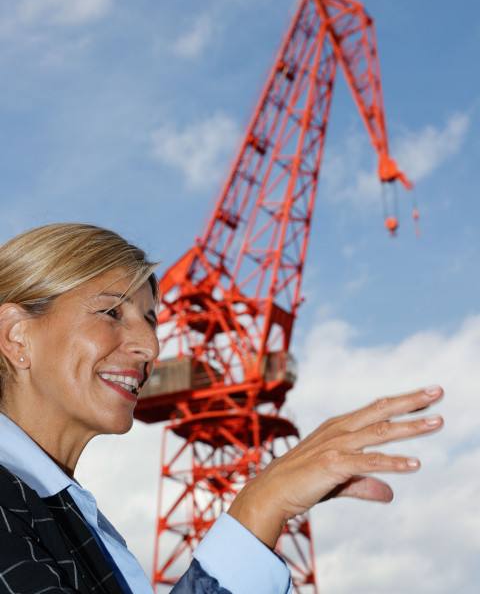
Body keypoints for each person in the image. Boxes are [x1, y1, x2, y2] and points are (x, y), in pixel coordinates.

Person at [0, 223, 444, 594]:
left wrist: (261, 514)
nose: (151, 346)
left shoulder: (58, 511)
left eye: (151, 320)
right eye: (112, 313)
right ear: (17, 336)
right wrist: (259, 506)